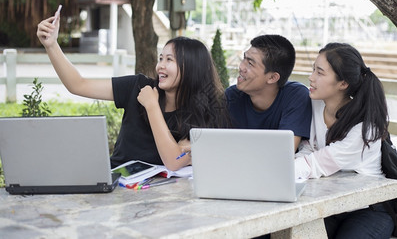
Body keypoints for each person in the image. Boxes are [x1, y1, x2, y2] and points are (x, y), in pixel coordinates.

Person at [36, 12, 229, 171]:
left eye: (169, 60)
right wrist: (51, 45)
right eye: (160, 58)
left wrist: (152, 106)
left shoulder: (202, 113)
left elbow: (174, 160)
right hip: (115, 182)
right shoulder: (139, 87)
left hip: (158, 197)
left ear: (192, 69)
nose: (160, 66)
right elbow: (78, 84)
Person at [294, 42, 394, 238]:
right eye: (313, 69)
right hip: (329, 205)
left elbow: (317, 163)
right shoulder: (315, 106)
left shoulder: (364, 127)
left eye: (320, 73)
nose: (311, 77)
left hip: (368, 209)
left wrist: (276, 171)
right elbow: (309, 149)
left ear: (343, 83)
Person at [225, 34, 312, 151]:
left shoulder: (296, 96)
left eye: (250, 63)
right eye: (244, 59)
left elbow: (284, 152)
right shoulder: (231, 96)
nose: (241, 67)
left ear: (272, 78)